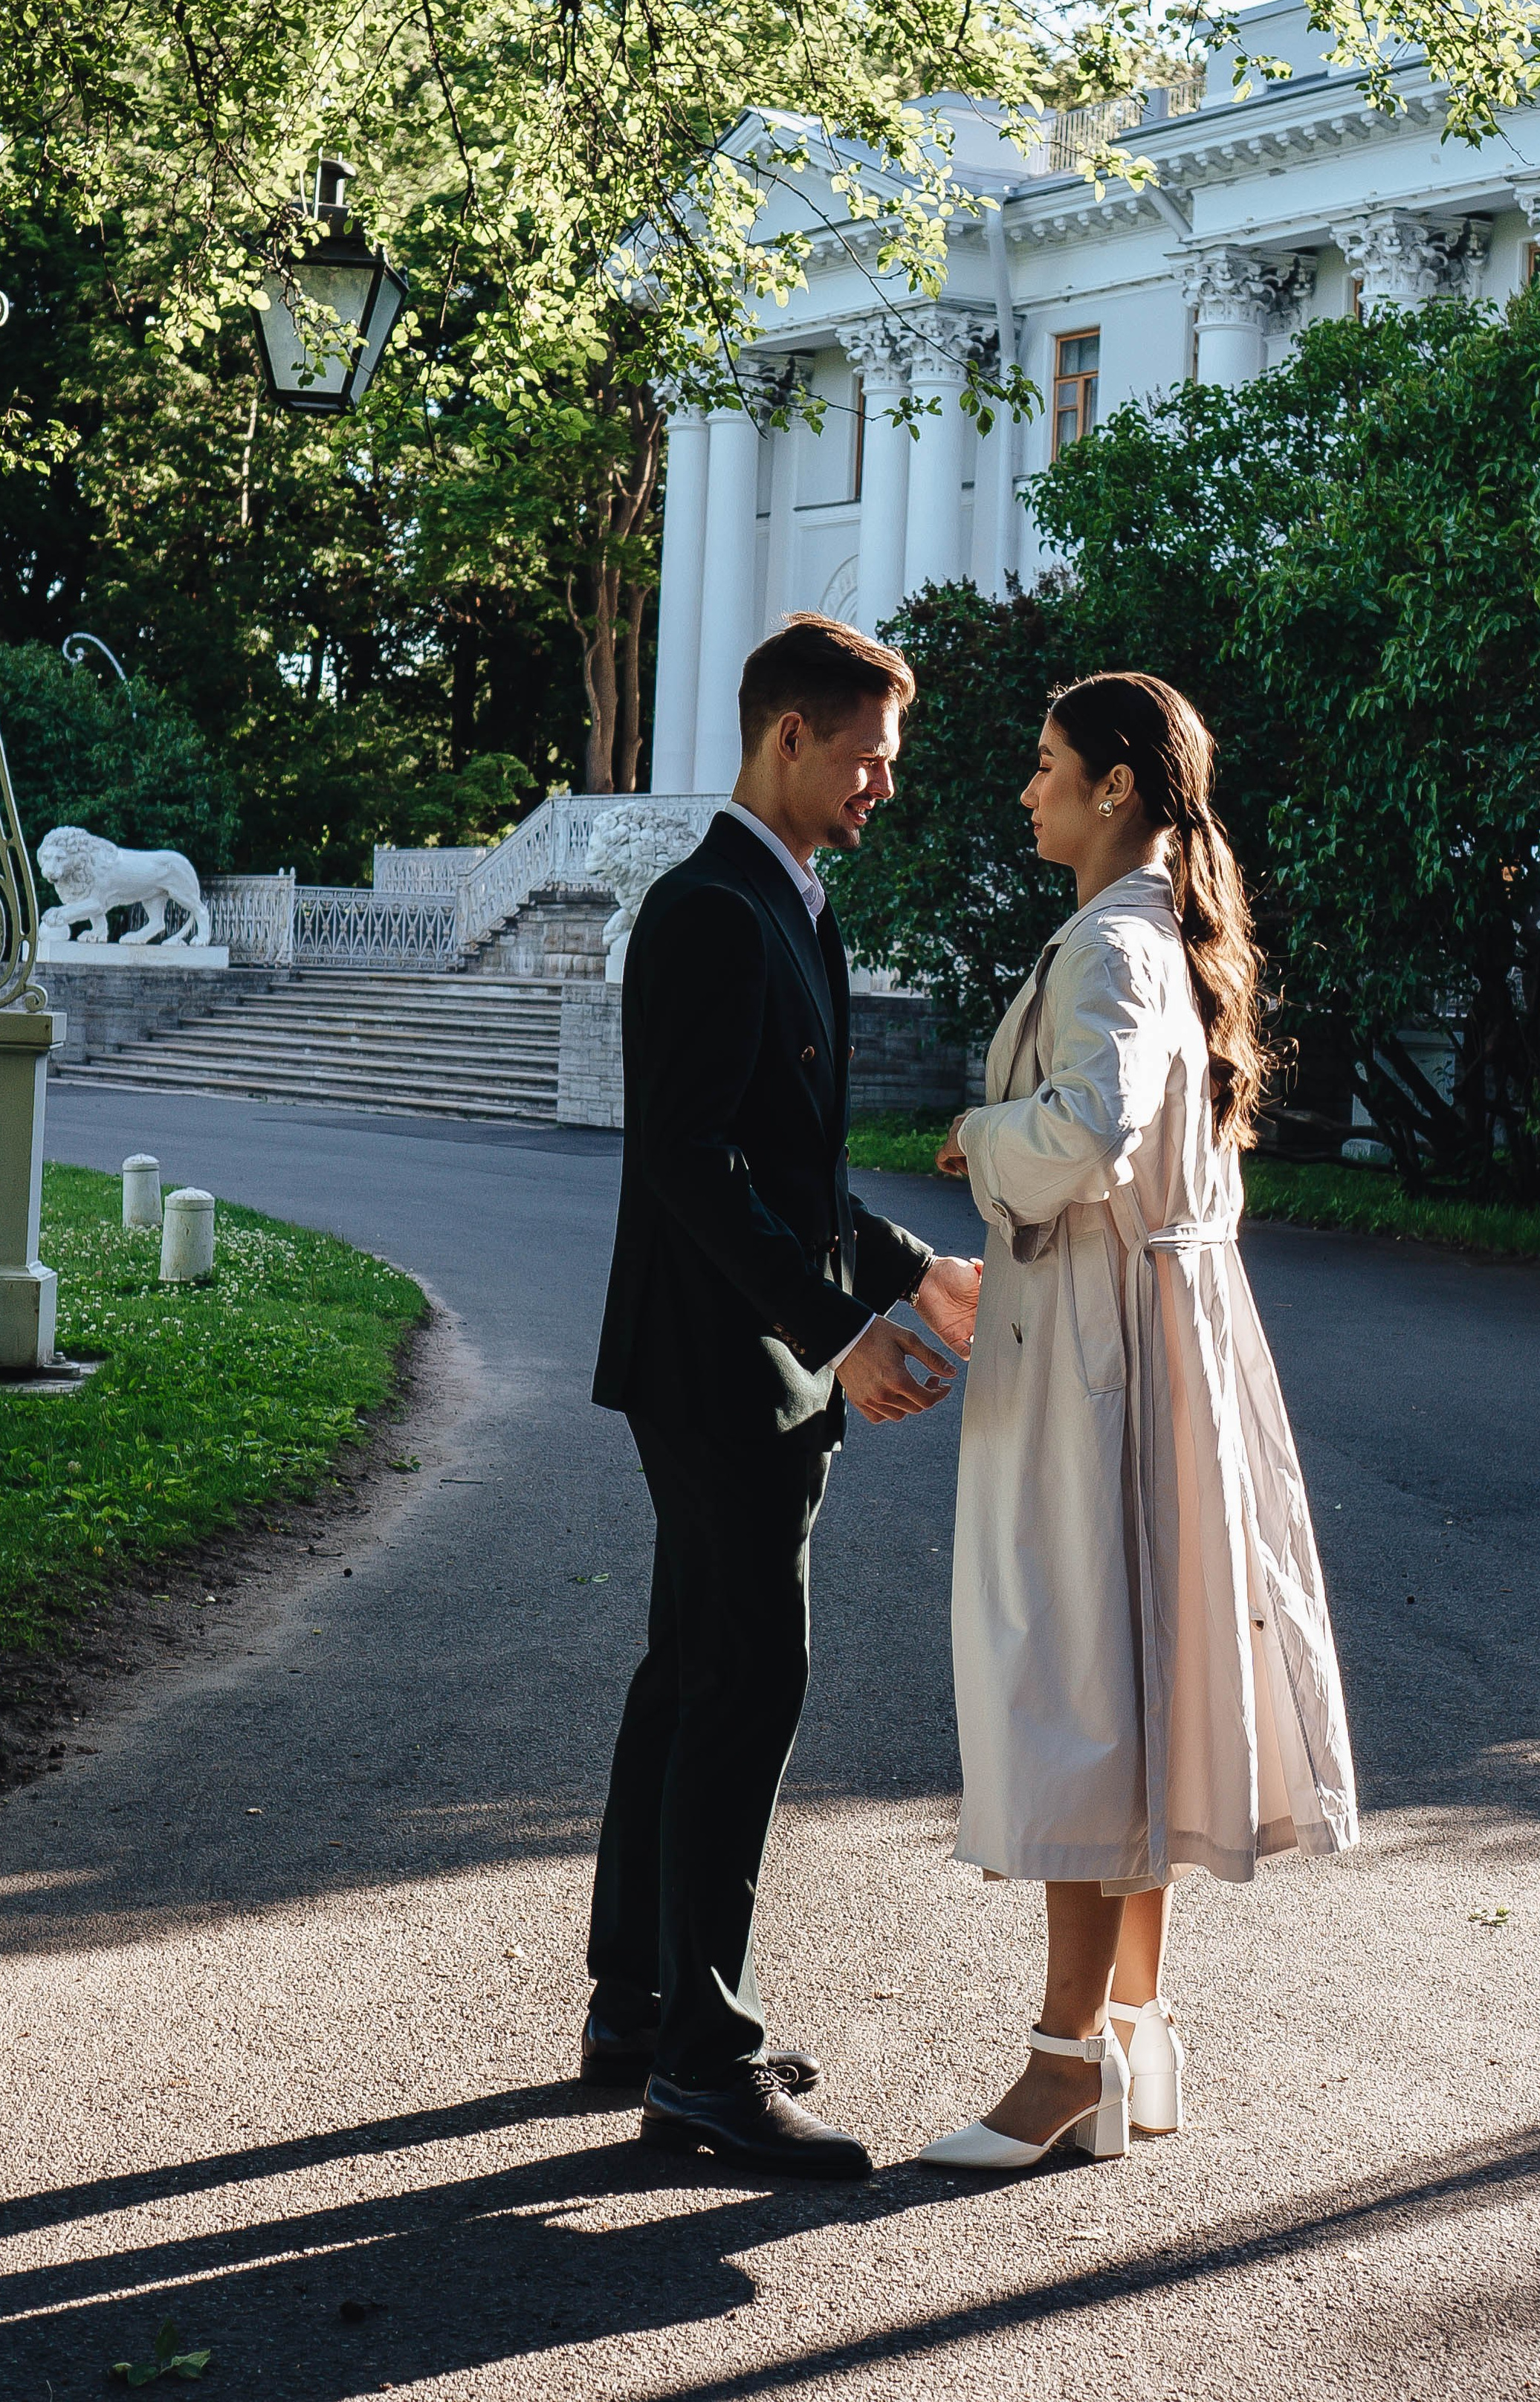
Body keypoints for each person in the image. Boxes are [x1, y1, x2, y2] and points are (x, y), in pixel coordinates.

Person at [919, 672, 1357, 2173]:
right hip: (1147, 1334)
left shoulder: (1111, 940)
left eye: (1045, 767)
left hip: (1105, 1353)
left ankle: (1060, 2066)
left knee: (1077, 1690)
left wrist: (977, 1136)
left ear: (1115, 784)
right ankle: (1130, 2036)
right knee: (1137, 1685)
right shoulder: (1148, 930)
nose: (1025, 792)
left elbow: (1090, 1130)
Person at [584, 613, 983, 2180]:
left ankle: (646, 2007)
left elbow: (786, 1164)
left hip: (732, 1356)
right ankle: (705, 2061)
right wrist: (837, 1332)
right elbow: (690, 1162)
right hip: (717, 1366)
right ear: (792, 738)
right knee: (742, 1683)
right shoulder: (711, 908)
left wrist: (906, 1269)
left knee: (691, 1672)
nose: (885, 781)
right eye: (871, 752)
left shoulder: (778, 898)